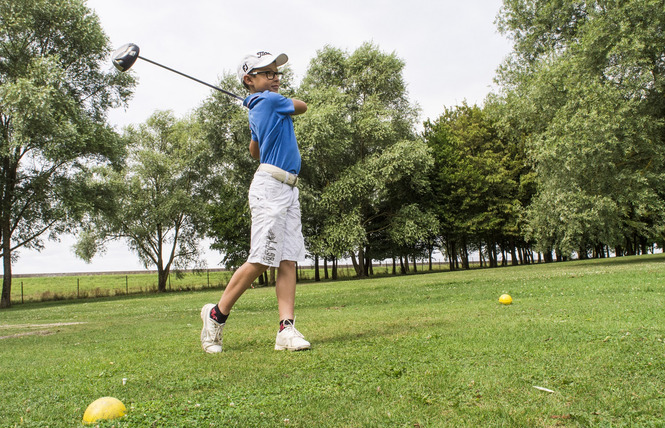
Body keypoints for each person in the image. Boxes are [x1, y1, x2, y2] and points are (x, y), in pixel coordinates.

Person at [200, 51, 310, 353]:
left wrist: (258, 107)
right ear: (249, 80)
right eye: (267, 73)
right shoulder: (272, 101)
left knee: (288, 258)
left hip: (288, 187)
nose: (275, 77)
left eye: (277, 72)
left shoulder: (259, 107)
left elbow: (254, 150)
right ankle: (216, 314)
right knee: (262, 258)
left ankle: (286, 329)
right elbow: (302, 106)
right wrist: (270, 102)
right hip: (271, 187)